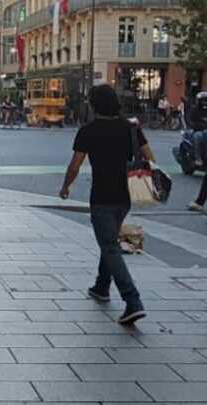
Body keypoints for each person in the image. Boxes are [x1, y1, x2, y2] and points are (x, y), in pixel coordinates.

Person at [59, 81, 149, 326]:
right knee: (109, 240)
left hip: (102, 196)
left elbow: (75, 165)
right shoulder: (130, 128)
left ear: (93, 105)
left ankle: (133, 301)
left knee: (109, 246)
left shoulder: (88, 131)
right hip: (126, 195)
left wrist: (66, 186)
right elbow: (149, 157)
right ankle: (101, 286)